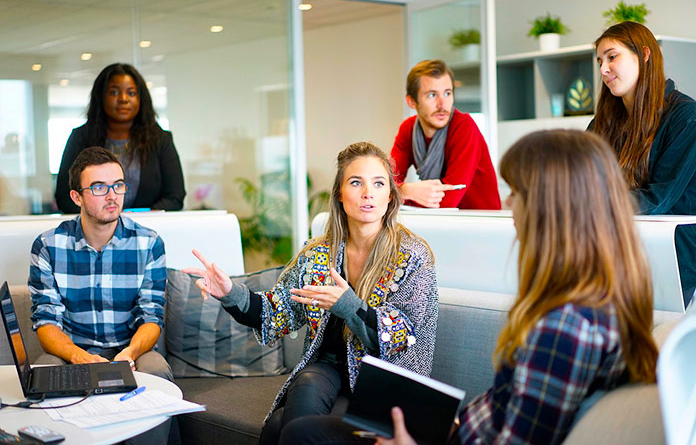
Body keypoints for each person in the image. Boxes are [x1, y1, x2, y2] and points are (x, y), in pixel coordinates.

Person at [287, 130, 659, 445]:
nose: (509, 204)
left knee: (300, 434)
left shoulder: (565, 328)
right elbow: (506, 411)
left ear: (553, 208)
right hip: (456, 429)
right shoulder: (597, 301)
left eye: (517, 192)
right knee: (295, 427)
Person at [183, 141, 438, 444]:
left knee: (281, 426)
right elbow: (273, 312)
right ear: (340, 195)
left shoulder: (413, 255)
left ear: (390, 196)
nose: (368, 192)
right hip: (327, 370)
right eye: (356, 182)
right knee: (306, 383)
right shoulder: (318, 253)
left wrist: (348, 305)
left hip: (383, 383)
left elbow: (401, 336)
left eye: (378, 183)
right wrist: (228, 292)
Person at [30, 147, 172, 381]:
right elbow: (46, 321)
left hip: (131, 350)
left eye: (118, 185)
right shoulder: (48, 246)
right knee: (42, 373)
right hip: (71, 351)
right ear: (77, 197)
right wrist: (79, 357)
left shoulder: (149, 243)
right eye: (99, 187)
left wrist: (129, 353)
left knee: (156, 371)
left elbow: (151, 317)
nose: (112, 196)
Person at [590, 21, 696, 307]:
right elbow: (581, 181)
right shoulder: (602, 124)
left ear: (644, 55)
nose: (603, 69)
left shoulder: (685, 116)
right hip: (616, 254)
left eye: (612, 57)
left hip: (673, 262)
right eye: (600, 61)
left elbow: (658, 198)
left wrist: (587, 203)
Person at [55, 63, 185, 213]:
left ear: (141, 99)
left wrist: (137, 219)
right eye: (114, 92)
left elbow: (175, 197)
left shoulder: (160, 139)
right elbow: (65, 198)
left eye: (131, 93)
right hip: (94, 232)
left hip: (148, 230)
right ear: (101, 97)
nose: (123, 99)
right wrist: (104, 218)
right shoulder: (81, 138)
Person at [390, 59, 500, 209]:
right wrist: (407, 190)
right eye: (432, 95)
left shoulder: (464, 127)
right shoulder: (408, 129)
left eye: (447, 93)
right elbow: (385, 184)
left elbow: (448, 200)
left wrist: (400, 193)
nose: (442, 104)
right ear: (411, 102)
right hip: (440, 222)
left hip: (479, 223)